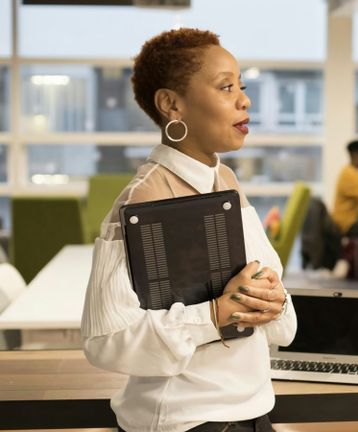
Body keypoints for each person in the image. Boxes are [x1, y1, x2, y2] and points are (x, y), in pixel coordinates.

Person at [80, 28, 297, 432]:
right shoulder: (143, 199)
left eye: (241, 86)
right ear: (171, 104)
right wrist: (215, 314)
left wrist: (275, 301)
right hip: (188, 421)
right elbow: (104, 340)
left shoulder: (227, 180)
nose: (244, 99)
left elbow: (274, 310)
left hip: (253, 413)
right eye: (225, 87)